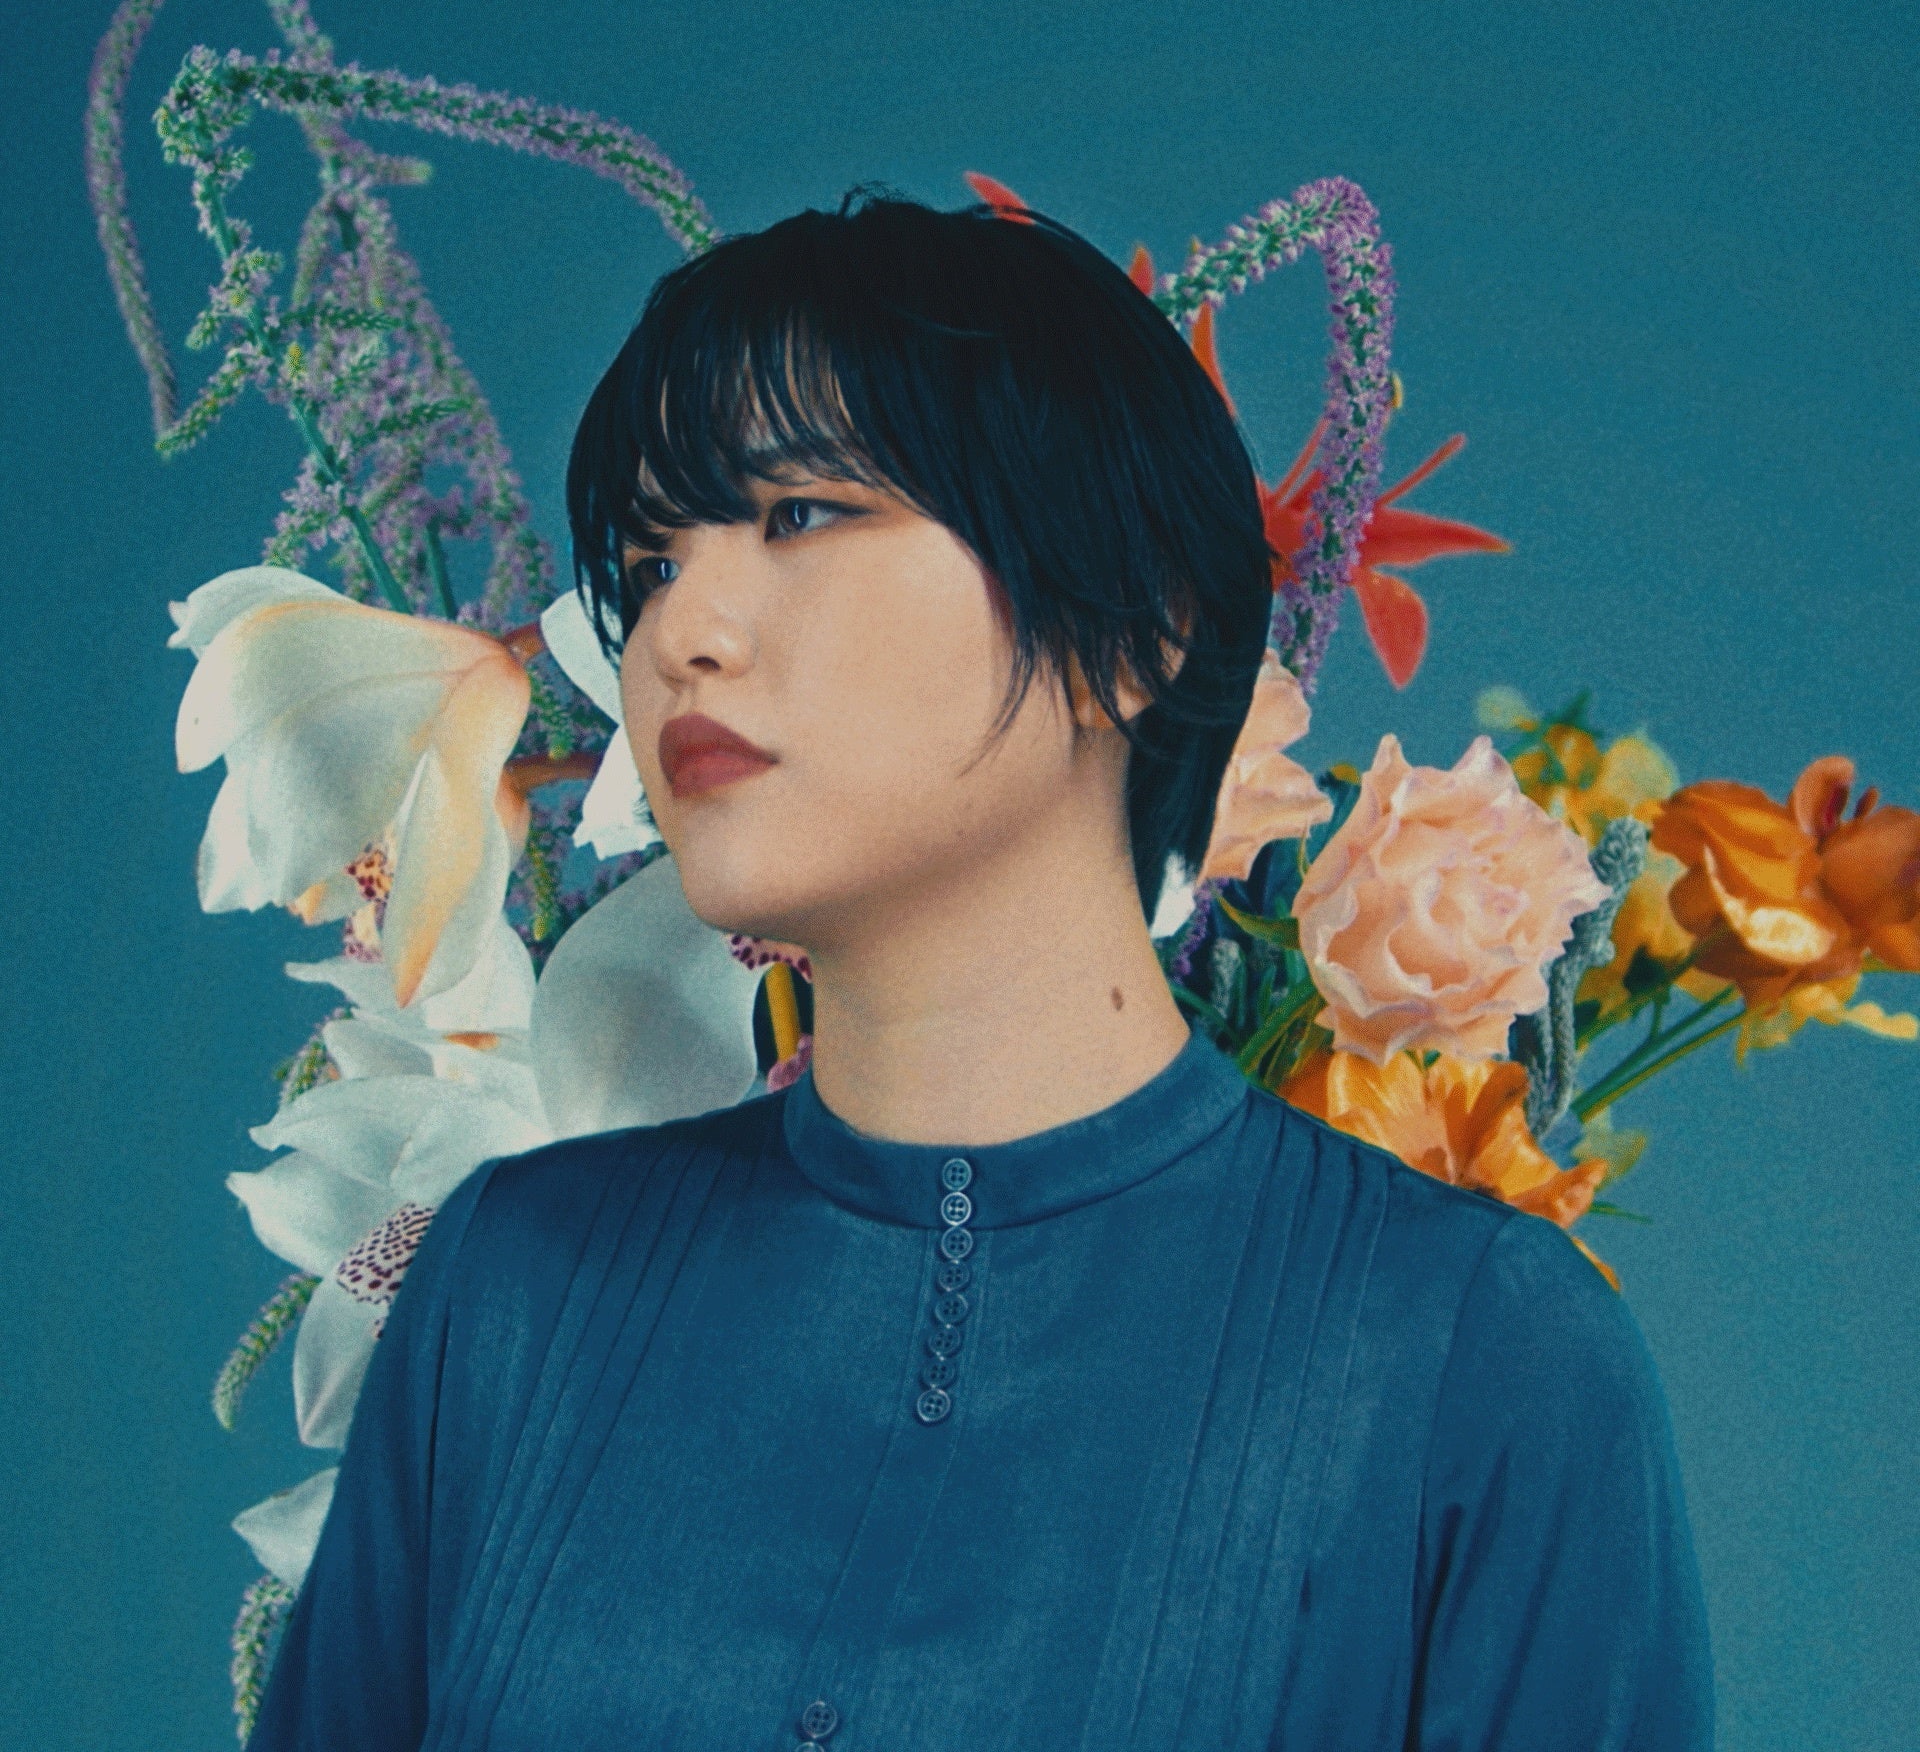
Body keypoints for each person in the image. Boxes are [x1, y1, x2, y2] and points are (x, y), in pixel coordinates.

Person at [247, 190, 1715, 1749]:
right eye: (650, 557)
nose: (680, 634)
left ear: (1133, 631)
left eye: (799, 515)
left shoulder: (1477, 1355)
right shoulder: (510, 1290)